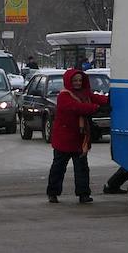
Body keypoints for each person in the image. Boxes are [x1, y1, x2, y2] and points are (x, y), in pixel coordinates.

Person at [46, 67, 108, 204]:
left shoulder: (85, 94)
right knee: (59, 168)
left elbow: (98, 98)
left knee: (82, 168)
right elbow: (76, 107)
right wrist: (96, 108)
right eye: (75, 80)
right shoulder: (64, 96)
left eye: (80, 80)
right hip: (64, 138)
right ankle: (53, 193)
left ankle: (83, 194)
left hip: (79, 138)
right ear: (69, 81)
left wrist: (110, 100)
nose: (78, 83)